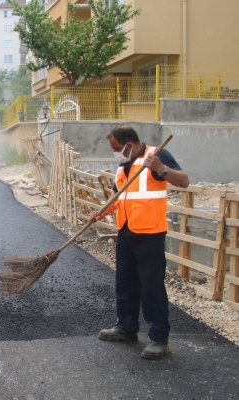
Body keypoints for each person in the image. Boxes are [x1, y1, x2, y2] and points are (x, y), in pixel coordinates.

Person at [89, 125, 189, 360]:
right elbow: (119, 193)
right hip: (126, 233)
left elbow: (183, 181)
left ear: (129, 145)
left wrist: (160, 169)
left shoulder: (157, 155)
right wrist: (102, 211)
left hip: (150, 235)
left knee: (151, 287)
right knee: (125, 283)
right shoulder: (124, 164)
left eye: (116, 148)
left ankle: (159, 339)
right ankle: (127, 327)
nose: (115, 153)